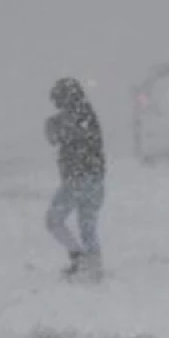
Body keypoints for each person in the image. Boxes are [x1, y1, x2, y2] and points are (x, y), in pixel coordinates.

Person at [45, 77, 106, 280]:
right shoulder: (88, 115)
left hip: (77, 179)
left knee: (54, 220)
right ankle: (93, 264)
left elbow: (55, 138)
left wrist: (53, 126)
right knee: (87, 226)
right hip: (96, 179)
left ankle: (78, 257)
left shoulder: (70, 119)